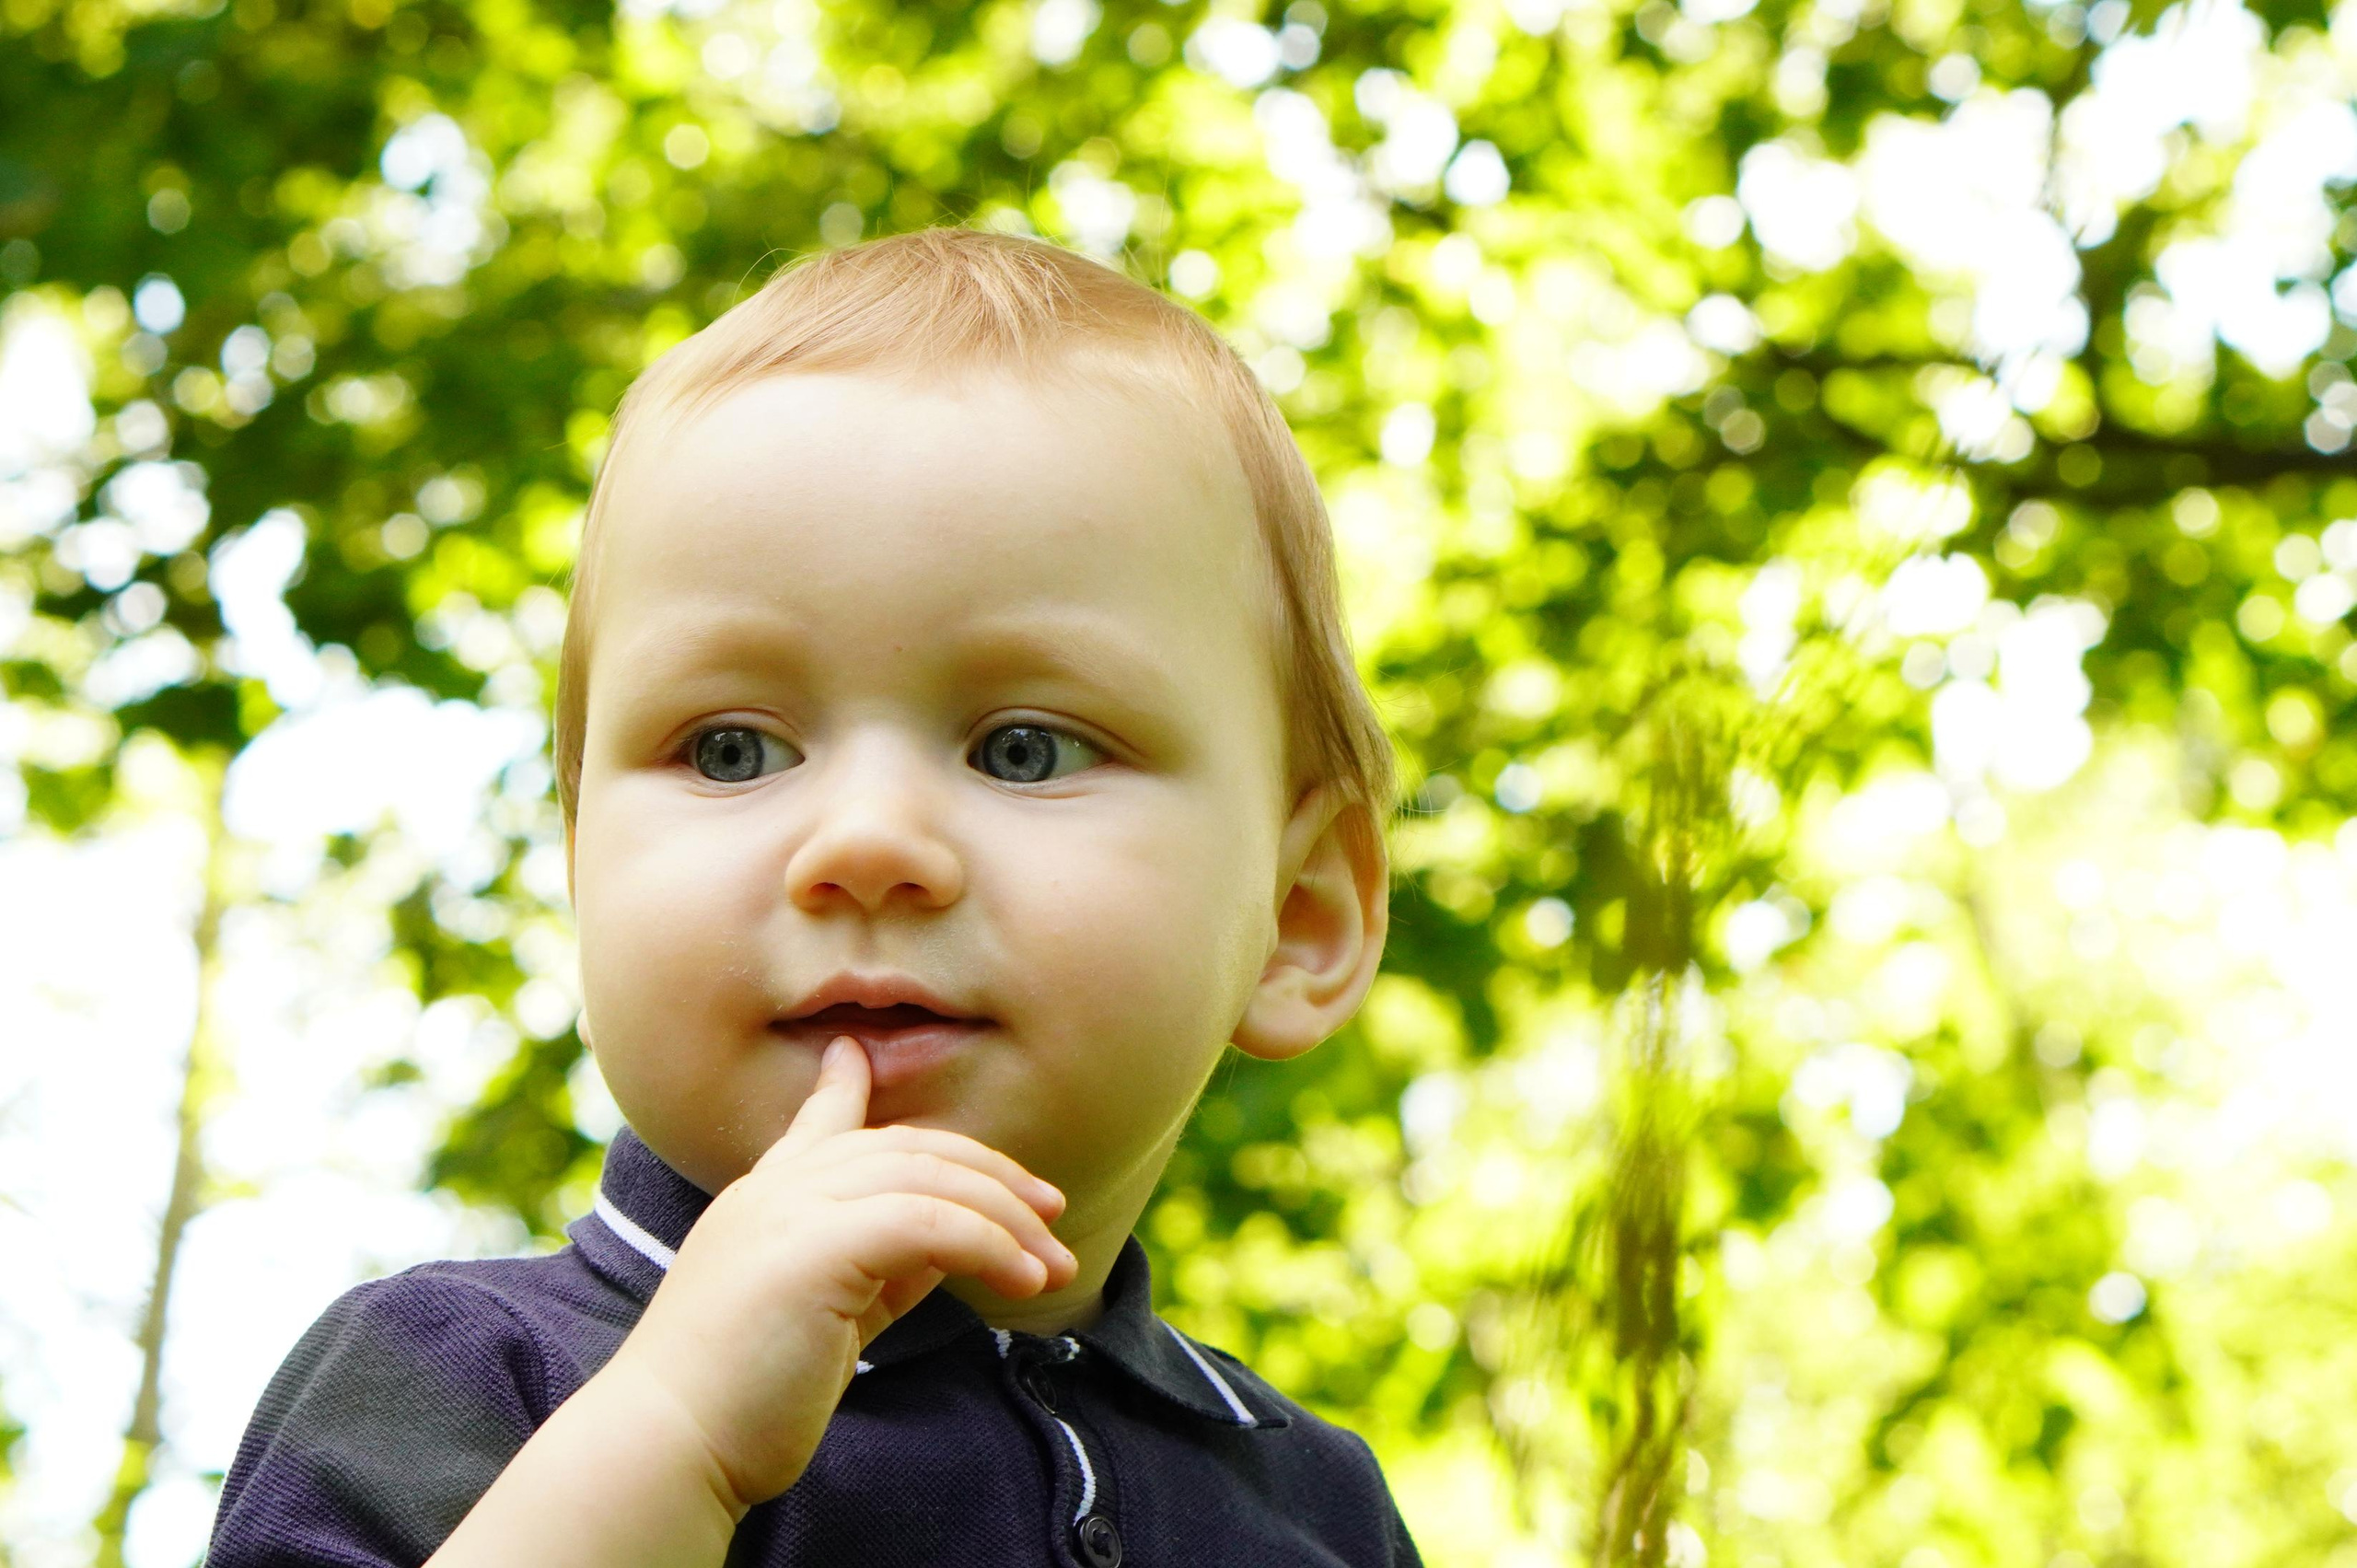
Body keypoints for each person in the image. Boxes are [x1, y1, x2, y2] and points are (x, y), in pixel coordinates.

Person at [205, 226, 1418, 1567]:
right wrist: (676, 1438)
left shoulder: (1315, 1503)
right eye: (732, 750)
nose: (864, 842)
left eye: (1024, 748)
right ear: (580, 864)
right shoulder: (461, 1381)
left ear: (1299, 916)